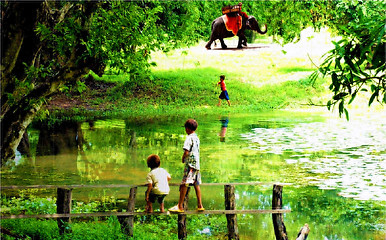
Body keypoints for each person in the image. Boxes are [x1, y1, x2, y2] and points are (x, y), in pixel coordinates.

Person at [169, 119, 204, 213]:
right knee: (196, 183)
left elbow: (186, 151)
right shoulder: (196, 137)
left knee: (184, 183)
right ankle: (200, 205)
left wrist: (183, 158)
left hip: (190, 164)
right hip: (197, 163)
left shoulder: (189, 138)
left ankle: (180, 206)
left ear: (187, 128)